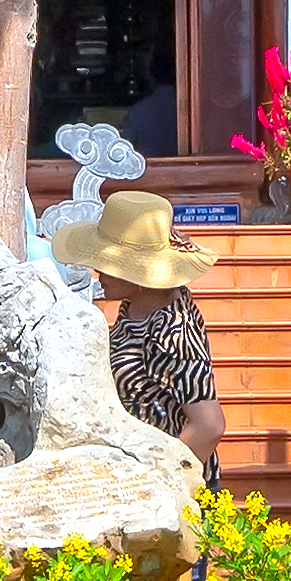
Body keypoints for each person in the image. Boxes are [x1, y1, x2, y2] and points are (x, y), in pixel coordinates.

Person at [84, 188, 216, 472]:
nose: (98, 272)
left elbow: (209, 425)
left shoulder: (172, 331)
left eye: (109, 265)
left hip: (166, 488)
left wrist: (166, 481)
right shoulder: (134, 308)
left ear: (139, 273)